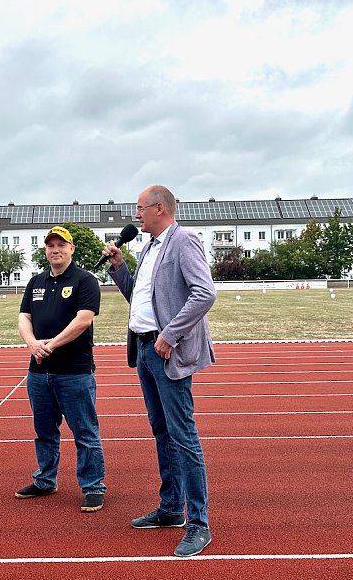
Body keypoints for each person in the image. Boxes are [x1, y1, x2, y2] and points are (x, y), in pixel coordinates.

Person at [101, 185, 217, 557]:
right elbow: (140, 295)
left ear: (160, 208)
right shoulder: (149, 246)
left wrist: (169, 335)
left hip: (167, 351)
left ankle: (199, 523)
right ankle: (171, 509)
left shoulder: (184, 240)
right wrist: (119, 267)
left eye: (140, 208)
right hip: (144, 349)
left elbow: (205, 293)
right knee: (162, 430)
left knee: (183, 434)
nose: (136, 215)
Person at [16, 225, 107, 512]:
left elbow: (84, 320)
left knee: (85, 432)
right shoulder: (36, 282)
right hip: (39, 372)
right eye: (50, 246)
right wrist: (32, 343)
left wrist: (51, 345)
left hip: (74, 372)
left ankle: (93, 486)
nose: (55, 250)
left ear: (72, 249)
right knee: (44, 431)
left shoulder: (85, 281)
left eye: (61, 245)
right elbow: (24, 317)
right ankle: (45, 479)